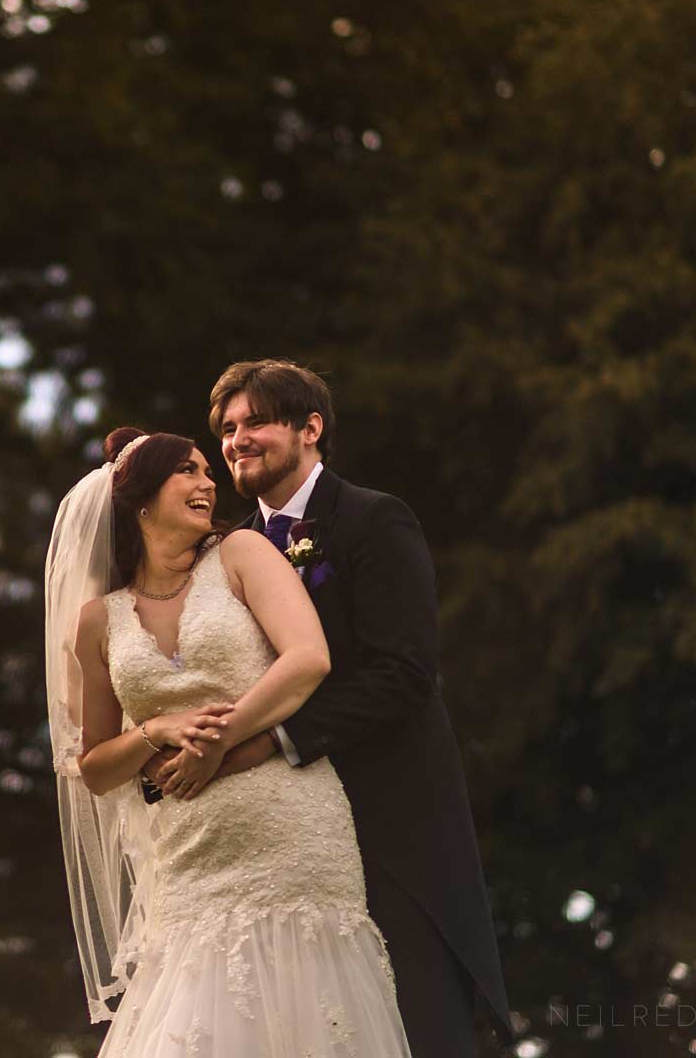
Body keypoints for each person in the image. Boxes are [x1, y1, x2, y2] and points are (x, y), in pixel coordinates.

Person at [137, 360, 512, 1057]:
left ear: (310, 428)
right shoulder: (222, 554)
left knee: (414, 1021)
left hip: (388, 817)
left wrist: (258, 742)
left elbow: (404, 672)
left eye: (255, 421)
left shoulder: (373, 519)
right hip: (269, 847)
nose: (236, 439)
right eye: (226, 428)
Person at [44, 425, 413, 1057]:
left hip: (293, 831)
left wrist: (219, 741)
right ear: (139, 501)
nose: (208, 482)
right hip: (189, 858)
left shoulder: (242, 554)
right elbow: (96, 766)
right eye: (187, 471)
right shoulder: (99, 620)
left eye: (206, 471)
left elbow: (307, 659)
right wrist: (153, 731)